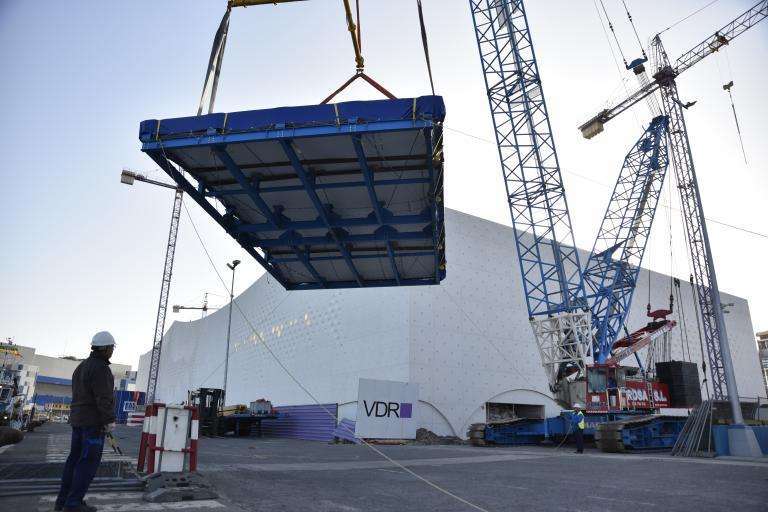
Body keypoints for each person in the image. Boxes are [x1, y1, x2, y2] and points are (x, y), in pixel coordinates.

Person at [55, 332, 117, 512]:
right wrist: (109, 420)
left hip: (78, 421)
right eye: (112, 348)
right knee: (87, 463)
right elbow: (103, 398)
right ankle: (73, 504)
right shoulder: (101, 369)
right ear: (105, 348)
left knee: (74, 460)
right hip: (93, 424)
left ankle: (63, 501)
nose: (112, 351)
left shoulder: (81, 366)